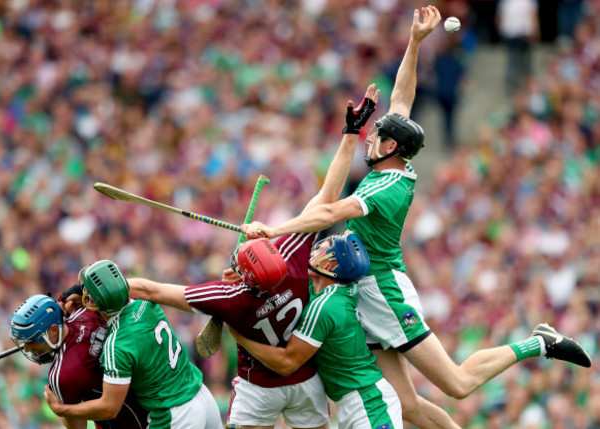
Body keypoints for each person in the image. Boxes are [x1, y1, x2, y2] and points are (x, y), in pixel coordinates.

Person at [242, 5, 593, 429]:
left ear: (392, 147)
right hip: (364, 290)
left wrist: (274, 229)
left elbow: (332, 210)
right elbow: (402, 99)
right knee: (407, 407)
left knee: (458, 383)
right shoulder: (394, 160)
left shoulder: (384, 187)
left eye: (377, 138)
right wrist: (415, 42)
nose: (370, 140)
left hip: (384, 290)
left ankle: (539, 342)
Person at [127, 83, 381, 429]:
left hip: (257, 388)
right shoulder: (292, 256)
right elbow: (329, 193)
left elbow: (152, 291)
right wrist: (352, 132)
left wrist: (101, 283)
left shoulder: (230, 297)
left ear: (244, 276)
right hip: (306, 383)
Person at [227, 232, 401, 429]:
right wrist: (243, 278)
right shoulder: (325, 289)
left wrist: (239, 335)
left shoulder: (326, 306)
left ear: (328, 265)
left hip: (368, 403)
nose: (312, 250)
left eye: (320, 249)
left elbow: (287, 362)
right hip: (354, 402)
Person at [43, 261, 223, 429]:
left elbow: (109, 408)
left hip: (173, 414)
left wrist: (63, 409)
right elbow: (133, 288)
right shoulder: (145, 301)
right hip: (202, 395)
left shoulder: (117, 344)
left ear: (91, 302)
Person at [10, 293, 149, 429]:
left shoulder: (61, 376)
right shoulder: (86, 310)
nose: (27, 349)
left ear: (53, 331)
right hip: (156, 402)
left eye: (31, 341)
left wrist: (61, 409)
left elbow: (78, 426)